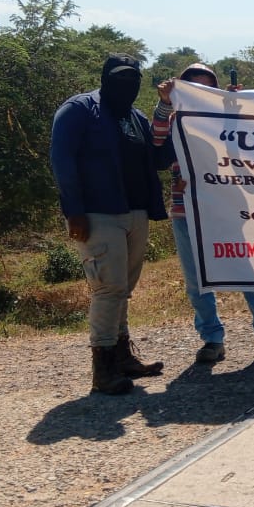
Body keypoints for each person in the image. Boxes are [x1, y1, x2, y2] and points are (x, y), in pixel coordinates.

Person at [50, 53, 172, 395]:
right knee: (108, 289)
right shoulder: (78, 110)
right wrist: (73, 211)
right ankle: (102, 369)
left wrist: (172, 115)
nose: (127, 85)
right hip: (96, 214)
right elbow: (62, 160)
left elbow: (160, 159)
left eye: (133, 78)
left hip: (136, 213)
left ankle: (122, 357)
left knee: (123, 290)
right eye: (120, 77)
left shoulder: (136, 117)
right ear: (104, 77)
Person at [152, 64, 254, 364]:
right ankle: (212, 339)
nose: (201, 96)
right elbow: (156, 144)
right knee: (196, 280)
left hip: (228, 207)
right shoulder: (173, 119)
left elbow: (252, 148)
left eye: (207, 89)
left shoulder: (227, 117)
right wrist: (164, 103)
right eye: (193, 89)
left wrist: (240, 108)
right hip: (186, 209)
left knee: (248, 274)